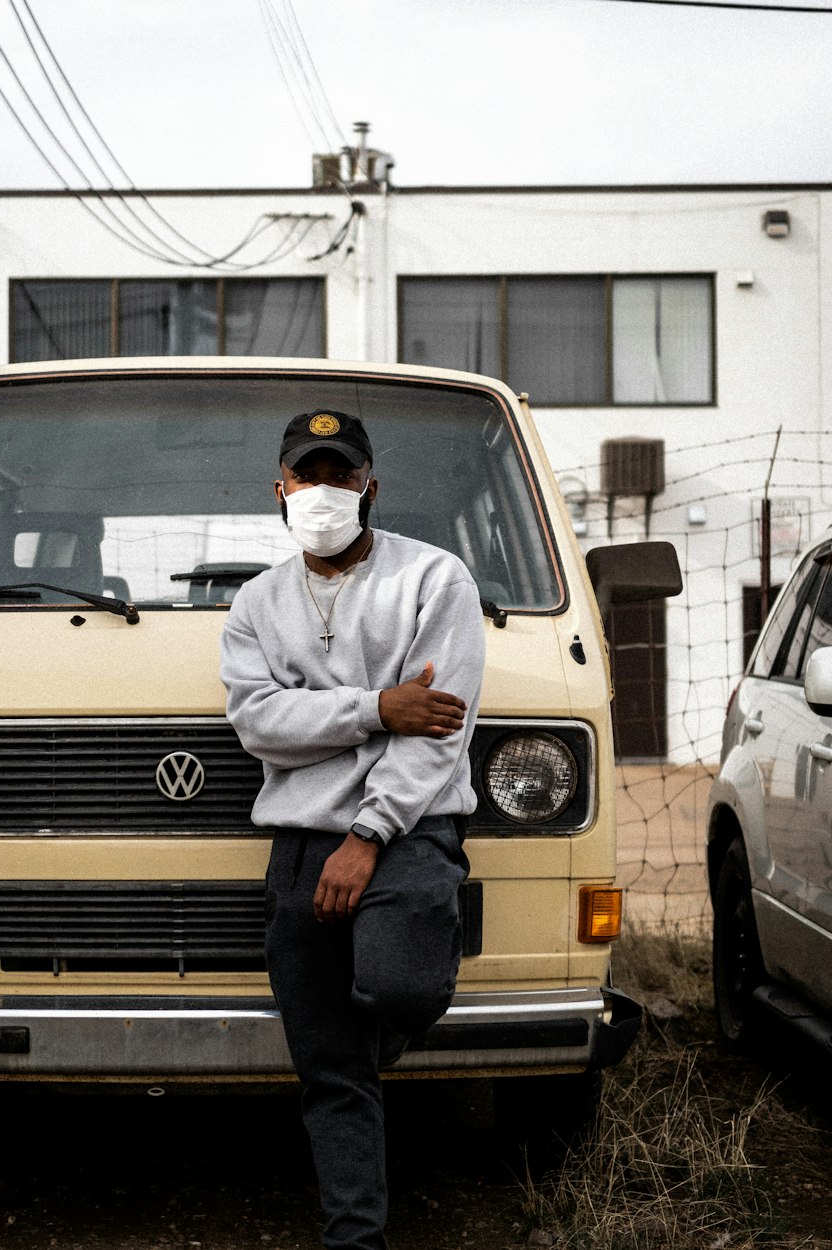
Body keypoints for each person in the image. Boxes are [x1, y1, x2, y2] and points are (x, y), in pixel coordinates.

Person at [220, 409, 486, 1250]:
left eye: (342, 476)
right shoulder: (257, 603)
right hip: (300, 845)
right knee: (330, 1072)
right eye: (309, 476)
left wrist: (369, 834)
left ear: (371, 486)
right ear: (281, 490)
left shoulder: (434, 580)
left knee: (402, 989)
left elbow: (440, 725)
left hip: (406, 832)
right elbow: (259, 723)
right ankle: (355, 1240)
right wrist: (378, 706)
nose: (324, 492)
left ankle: (386, 1017)